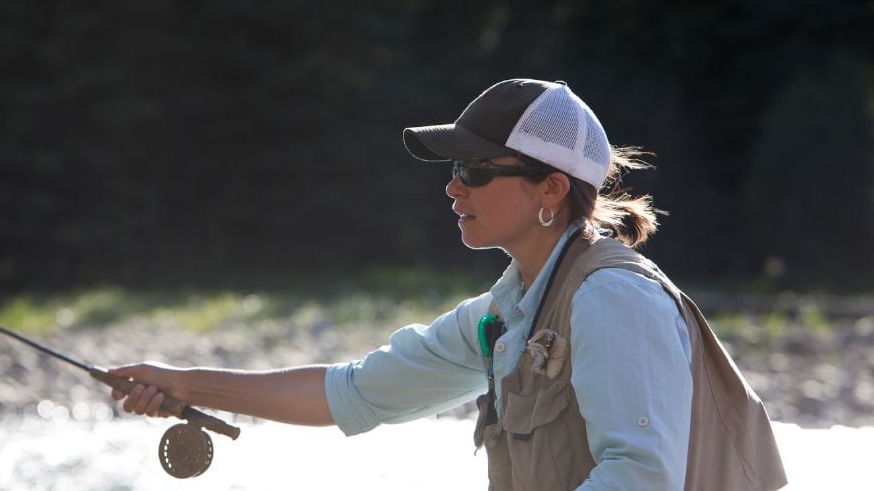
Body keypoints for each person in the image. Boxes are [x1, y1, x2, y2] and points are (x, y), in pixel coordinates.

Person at [108, 79, 787, 490]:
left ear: (551, 188)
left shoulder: (612, 298)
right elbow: (354, 392)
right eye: (453, 168)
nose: (453, 185)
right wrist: (185, 384)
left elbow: (641, 478)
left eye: (476, 169)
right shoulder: (503, 314)